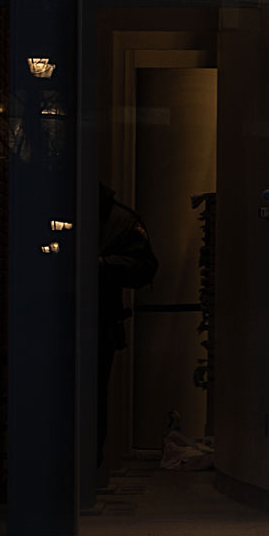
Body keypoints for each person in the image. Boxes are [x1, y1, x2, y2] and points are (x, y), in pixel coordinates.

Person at [97, 183, 158, 467]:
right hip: (99, 320)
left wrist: (102, 266)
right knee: (92, 395)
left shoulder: (119, 219)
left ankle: (87, 463)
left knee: (92, 394)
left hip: (99, 321)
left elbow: (143, 268)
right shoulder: (120, 219)